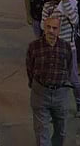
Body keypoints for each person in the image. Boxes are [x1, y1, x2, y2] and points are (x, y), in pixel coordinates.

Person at [26, 16, 73, 146]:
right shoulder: (34, 47)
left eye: (54, 28)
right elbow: (29, 68)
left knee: (61, 131)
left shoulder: (66, 47)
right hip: (40, 93)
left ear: (59, 31)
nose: (51, 31)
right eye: (48, 27)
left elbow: (69, 69)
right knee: (42, 132)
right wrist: (35, 85)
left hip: (60, 94)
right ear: (44, 27)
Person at [40, 0, 80, 117]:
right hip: (53, 47)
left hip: (69, 48)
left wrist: (65, 4)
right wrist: (52, 18)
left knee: (74, 79)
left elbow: (75, 20)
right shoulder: (48, 6)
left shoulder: (70, 5)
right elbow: (43, 25)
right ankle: (54, 108)